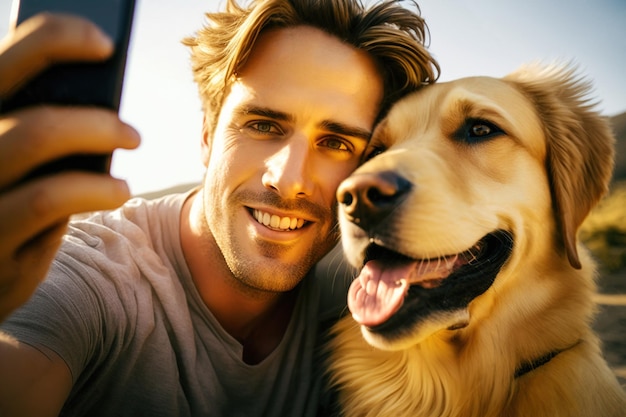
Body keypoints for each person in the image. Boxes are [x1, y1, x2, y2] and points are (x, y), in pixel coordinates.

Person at [0, 0, 439, 415]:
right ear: (208, 133)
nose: (287, 179)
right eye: (263, 125)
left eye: (337, 143)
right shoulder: (87, 279)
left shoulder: (358, 301)